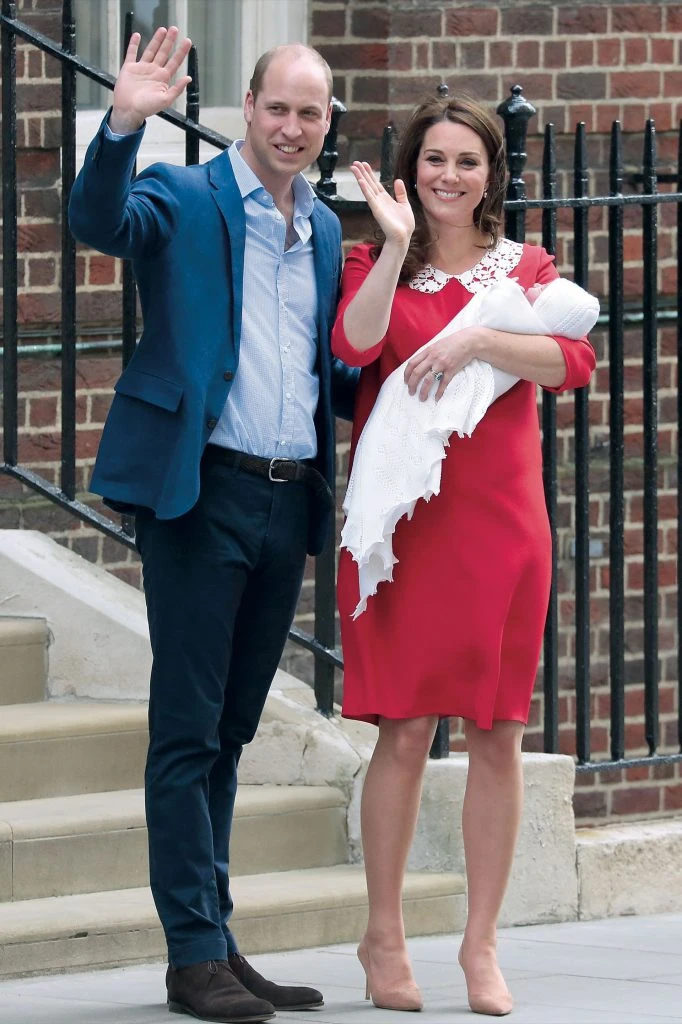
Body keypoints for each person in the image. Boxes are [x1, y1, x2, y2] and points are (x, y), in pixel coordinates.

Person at [69, 26, 356, 1024]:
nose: (291, 126)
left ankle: (217, 935)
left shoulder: (322, 230)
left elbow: (331, 370)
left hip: (287, 500)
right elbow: (98, 222)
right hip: (199, 493)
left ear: (326, 124)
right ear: (247, 109)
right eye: (277, 107)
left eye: (309, 112)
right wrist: (122, 125)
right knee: (187, 730)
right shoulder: (186, 199)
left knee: (233, 730)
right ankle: (192, 954)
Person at [331, 94, 596, 1017]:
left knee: (498, 733)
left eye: (468, 162)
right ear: (413, 169)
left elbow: (574, 362)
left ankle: (482, 944)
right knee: (404, 728)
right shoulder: (373, 259)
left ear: (492, 175)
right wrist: (396, 245)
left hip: (501, 524)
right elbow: (354, 343)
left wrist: (485, 336)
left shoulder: (523, 269)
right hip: (408, 527)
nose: (450, 176)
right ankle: (384, 935)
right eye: (435, 159)